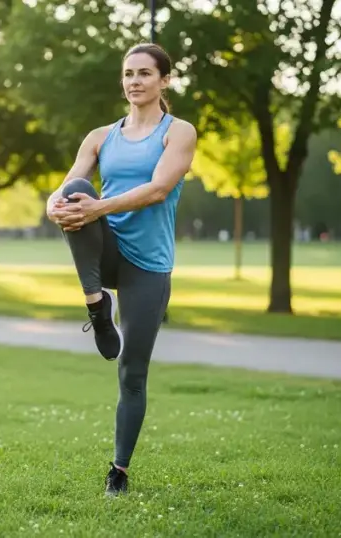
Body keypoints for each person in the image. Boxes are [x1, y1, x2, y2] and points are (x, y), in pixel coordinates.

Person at [46, 43, 197, 496]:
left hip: (148, 264)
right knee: (75, 189)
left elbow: (158, 189)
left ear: (164, 80)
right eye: (129, 73)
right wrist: (54, 206)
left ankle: (119, 470)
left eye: (145, 73)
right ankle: (96, 305)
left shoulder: (178, 132)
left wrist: (97, 207)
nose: (134, 81)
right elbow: (67, 187)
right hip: (106, 251)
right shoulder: (100, 136)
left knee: (132, 371)